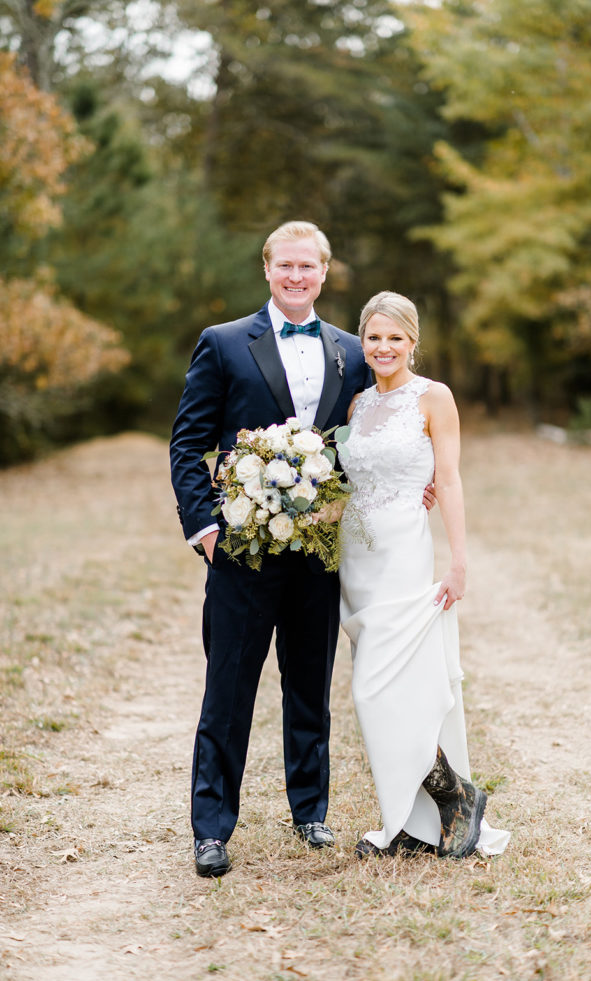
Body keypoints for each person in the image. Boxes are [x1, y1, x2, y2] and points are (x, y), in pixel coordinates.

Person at [170, 220, 376, 878]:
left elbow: (365, 444)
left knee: (310, 684)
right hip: (240, 553)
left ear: (323, 271)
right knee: (228, 687)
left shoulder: (351, 350)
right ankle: (211, 826)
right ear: (267, 269)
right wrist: (205, 529)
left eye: (307, 267)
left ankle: (309, 809)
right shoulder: (224, 343)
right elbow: (188, 442)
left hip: (317, 550)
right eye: (284, 265)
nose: (295, 276)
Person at [337, 291, 510, 859]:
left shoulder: (434, 398)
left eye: (395, 337)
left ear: (413, 341)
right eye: (373, 337)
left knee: (380, 689)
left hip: (406, 557)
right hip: (357, 558)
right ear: (362, 342)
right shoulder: (356, 406)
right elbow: (347, 482)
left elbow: (450, 480)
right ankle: (411, 824)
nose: (383, 347)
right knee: (386, 690)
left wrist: (458, 561)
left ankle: (455, 797)